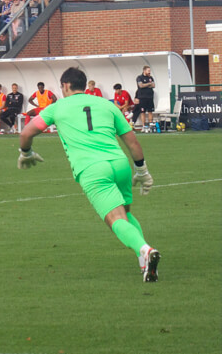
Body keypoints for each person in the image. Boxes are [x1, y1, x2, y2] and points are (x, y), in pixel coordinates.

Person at [16, 66, 161, 282]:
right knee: (125, 212)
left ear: (65, 86)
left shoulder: (57, 107)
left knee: (114, 219)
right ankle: (143, 261)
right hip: (120, 164)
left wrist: (26, 153)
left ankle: (146, 250)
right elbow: (132, 141)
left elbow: (27, 132)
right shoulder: (106, 104)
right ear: (84, 86)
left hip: (92, 169)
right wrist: (142, 170)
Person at [132, 65, 156, 131]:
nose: (149, 72)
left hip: (150, 97)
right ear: (144, 71)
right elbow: (141, 85)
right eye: (148, 71)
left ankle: (151, 125)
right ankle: (144, 126)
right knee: (143, 112)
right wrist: (148, 84)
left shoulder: (151, 77)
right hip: (142, 98)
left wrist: (146, 84)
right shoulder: (139, 78)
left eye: (150, 71)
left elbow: (153, 85)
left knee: (150, 111)